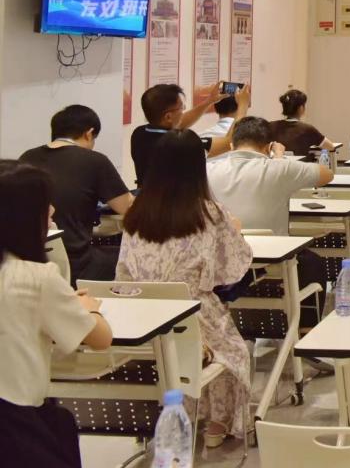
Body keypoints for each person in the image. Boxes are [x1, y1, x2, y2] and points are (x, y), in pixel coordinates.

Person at [116, 131, 254, 447]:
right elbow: (230, 270)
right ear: (197, 167)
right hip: (192, 316)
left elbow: (123, 274)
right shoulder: (209, 212)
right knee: (235, 351)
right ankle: (217, 423)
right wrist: (235, 231)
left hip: (143, 318)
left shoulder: (136, 213)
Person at [0, 161, 113, 467]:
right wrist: (89, 309)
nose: (52, 210)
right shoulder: (38, 278)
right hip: (17, 422)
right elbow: (101, 339)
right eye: (45, 203)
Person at [207, 117, 334, 328]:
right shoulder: (279, 168)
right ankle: (305, 330)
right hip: (274, 263)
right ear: (268, 147)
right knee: (313, 263)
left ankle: (245, 327)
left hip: (221, 264)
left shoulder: (208, 169)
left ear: (231, 145)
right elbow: (326, 174)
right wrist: (279, 159)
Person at [18, 106, 133, 283]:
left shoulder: (27, 157)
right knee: (128, 255)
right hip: (77, 262)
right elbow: (128, 208)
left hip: (30, 260)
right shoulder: (94, 160)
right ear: (89, 133)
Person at [132, 83, 248, 185]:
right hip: (177, 202)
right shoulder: (183, 143)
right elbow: (229, 142)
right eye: (181, 108)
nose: (183, 111)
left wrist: (209, 101)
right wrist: (242, 106)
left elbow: (179, 122)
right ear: (168, 117)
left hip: (146, 197)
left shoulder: (139, 134)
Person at [270, 89, 335, 157]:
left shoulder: (271, 126)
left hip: (278, 163)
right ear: (301, 108)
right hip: (300, 164)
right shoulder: (308, 129)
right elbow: (331, 147)